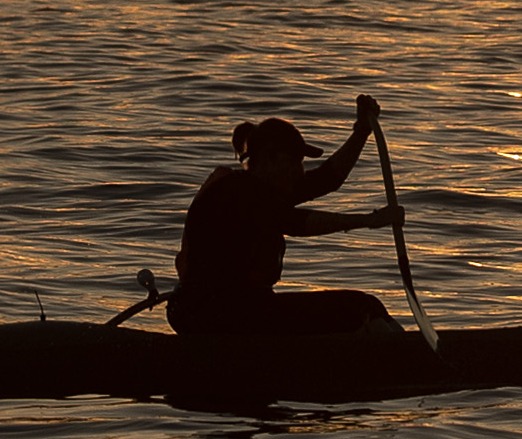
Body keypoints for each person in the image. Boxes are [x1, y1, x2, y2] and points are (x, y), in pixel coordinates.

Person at [171, 96, 412, 344]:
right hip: (210, 312)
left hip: (238, 308)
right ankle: (403, 356)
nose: (299, 172)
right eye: (292, 162)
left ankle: (406, 348)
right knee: (361, 308)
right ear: (268, 159)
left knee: (368, 305)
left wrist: (361, 132)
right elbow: (297, 222)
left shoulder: (269, 187)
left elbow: (328, 179)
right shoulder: (236, 191)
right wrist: (370, 220)